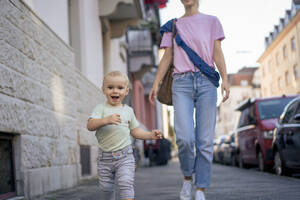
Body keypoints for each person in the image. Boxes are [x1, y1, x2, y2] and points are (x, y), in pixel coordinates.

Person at [149, 0, 230, 200]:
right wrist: (156, 83)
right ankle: (187, 178)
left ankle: (200, 188)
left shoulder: (212, 21)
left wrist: (226, 80)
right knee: (184, 138)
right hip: (181, 83)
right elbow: (167, 56)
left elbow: (217, 52)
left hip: (206, 84)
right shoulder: (173, 25)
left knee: (204, 141)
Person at [87, 71, 162, 200]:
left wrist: (150, 135)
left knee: (126, 183)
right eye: (110, 87)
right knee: (106, 188)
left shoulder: (128, 111)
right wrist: (105, 120)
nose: (115, 91)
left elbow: (135, 131)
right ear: (103, 89)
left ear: (126, 91)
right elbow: (90, 125)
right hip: (105, 158)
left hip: (125, 156)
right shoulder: (100, 109)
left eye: (120, 88)